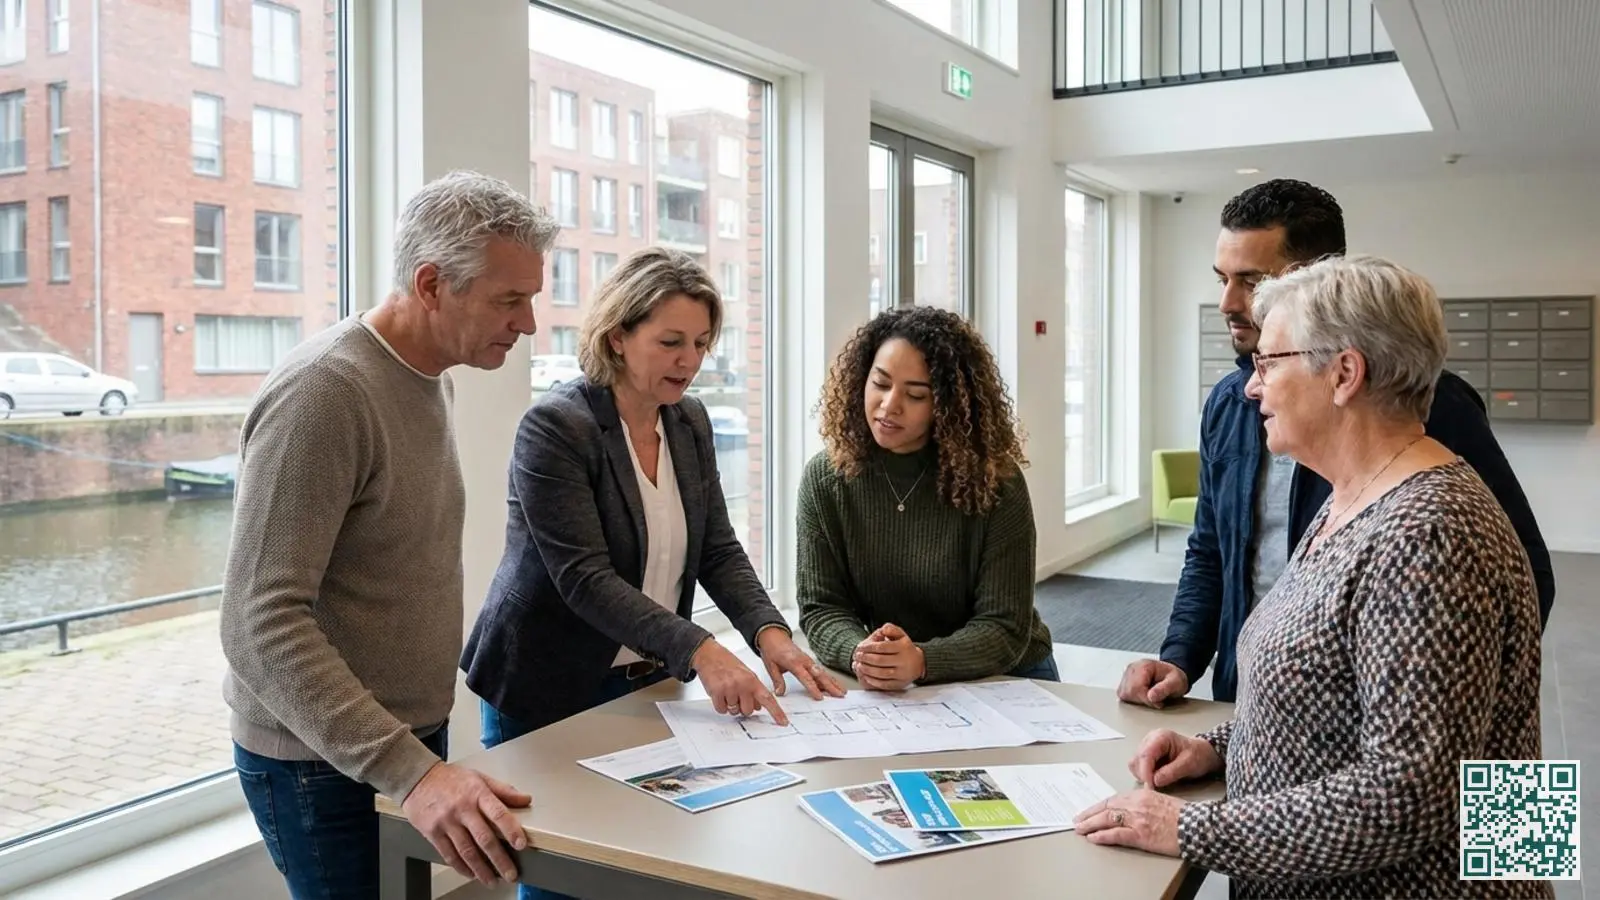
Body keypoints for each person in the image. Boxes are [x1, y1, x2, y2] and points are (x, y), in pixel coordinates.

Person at [1077, 255, 1549, 899]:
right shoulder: (1352, 497)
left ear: (1345, 374)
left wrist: (1188, 828)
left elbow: (1409, 795)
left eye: (1269, 363)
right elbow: (1331, 697)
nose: (1252, 387)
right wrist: (1220, 747)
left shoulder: (1429, 532)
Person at [461, 247, 841, 897]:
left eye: (700, 343)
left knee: (643, 870)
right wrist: (703, 651)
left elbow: (717, 548)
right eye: (670, 342)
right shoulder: (556, 427)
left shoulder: (688, 421)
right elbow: (585, 578)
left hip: (643, 687)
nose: (689, 360)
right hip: (547, 686)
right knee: (561, 882)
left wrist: (768, 633)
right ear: (617, 336)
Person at [220, 171, 557, 897]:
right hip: (320, 763)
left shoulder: (432, 376)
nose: (528, 323)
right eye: (509, 300)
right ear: (432, 284)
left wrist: (419, 760)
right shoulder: (324, 392)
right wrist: (412, 773)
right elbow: (256, 622)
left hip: (399, 739)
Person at [1120, 178, 1553, 707]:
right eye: (1222, 279)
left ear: (1316, 279)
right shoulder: (1230, 404)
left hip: (1347, 720)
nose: (1227, 302)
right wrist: (1182, 659)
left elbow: (1519, 576)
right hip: (1259, 698)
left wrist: (1453, 689)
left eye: (1251, 281)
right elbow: (1210, 550)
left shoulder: (1431, 442)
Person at [796, 306, 1055, 690]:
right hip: (894, 682)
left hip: (1007, 675)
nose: (889, 406)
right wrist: (863, 655)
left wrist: (922, 660)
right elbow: (822, 607)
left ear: (947, 405)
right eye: (880, 383)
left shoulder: (995, 481)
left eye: (916, 395)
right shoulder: (825, 478)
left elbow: (1004, 626)